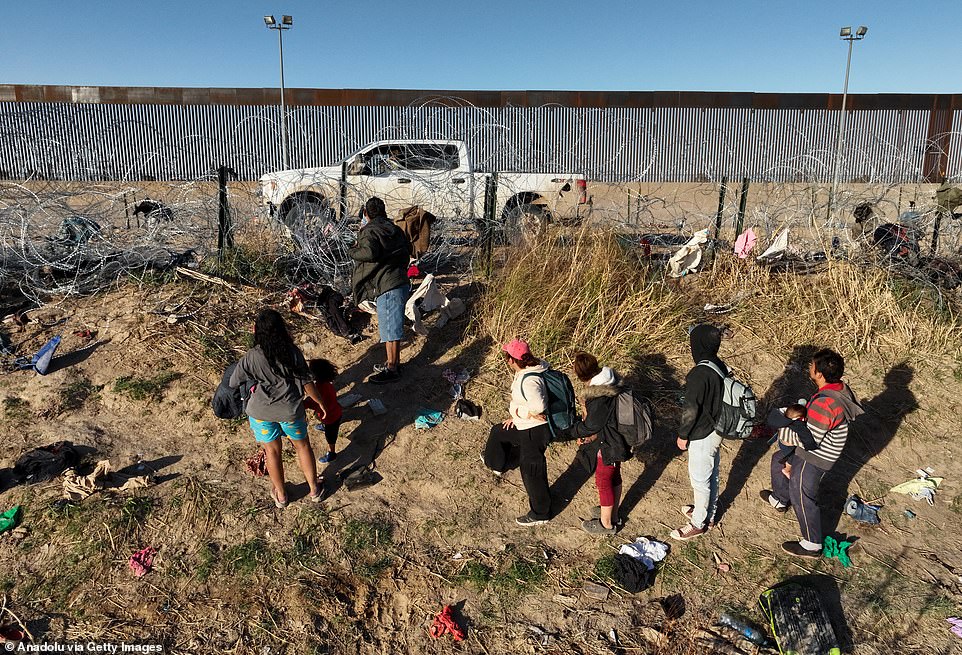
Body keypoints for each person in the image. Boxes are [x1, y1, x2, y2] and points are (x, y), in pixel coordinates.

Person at [760, 349, 863, 558]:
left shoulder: (825, 404)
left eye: (812, 365)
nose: (810, 367)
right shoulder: (837, 389)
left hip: (817, 455)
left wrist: (785, 430)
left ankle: (812, 543)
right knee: (778, 459)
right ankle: (780, 498)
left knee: (802, 492)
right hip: (823, 445)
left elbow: (810, 441)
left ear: (819, 374)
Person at [230, 309, 325, 507]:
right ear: (282, 329)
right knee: (302, 446)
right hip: (290, 411)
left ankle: (281, 496)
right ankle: (314, 489)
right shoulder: (292, 352)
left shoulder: (252, 356)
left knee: (272, 452)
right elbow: (307, 383)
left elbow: (233, 381)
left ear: (256, 330)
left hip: (261, 413)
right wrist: (320, 402)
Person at [482, 339, 553, 526]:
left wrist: (523, 413)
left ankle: (541, 513)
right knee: (499, 432)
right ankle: (497, 464)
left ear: (511, 360)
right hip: (524, 423)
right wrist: (516, 415)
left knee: (531, 471)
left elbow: (537, 406)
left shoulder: (528, 379)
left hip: (533, 430)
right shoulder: (536, 368)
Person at [671, 324, 728, 541]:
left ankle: (697, 524)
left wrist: (683, 435)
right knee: (711, 474)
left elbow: (691, 409)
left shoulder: (699, 373)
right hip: (718, 428)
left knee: (700, 480)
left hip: (702, 432)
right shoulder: (719, 365)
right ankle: (709, 515)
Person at [565, 353, 630, 535]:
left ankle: (607, 524)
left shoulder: (598, 396)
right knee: (614, 475)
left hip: (610, 441)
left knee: (603, 480)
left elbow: (592, 425)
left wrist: (574, 431)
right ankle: (613, 512)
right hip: (619, 436)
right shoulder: (612, 380)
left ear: (580, 375)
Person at [348, 196, 411, 384]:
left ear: (366, 213)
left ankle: (392, 369)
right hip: (399, 279)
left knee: (390, 330)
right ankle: (394, 364)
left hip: (387, 284)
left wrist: (352, 251)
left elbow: (369, 253)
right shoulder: (395, 229)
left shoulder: (370, 231)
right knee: (393, 326)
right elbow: (407, 248)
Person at [304, 359, 343, 464]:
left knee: (330, 436)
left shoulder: (319, 389)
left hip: (331, 418)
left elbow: (314, 403)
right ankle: (324, 426)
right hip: (335, 411)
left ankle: (332, 453)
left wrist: (303, 404)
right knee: (330, 428)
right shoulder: (326, 384)